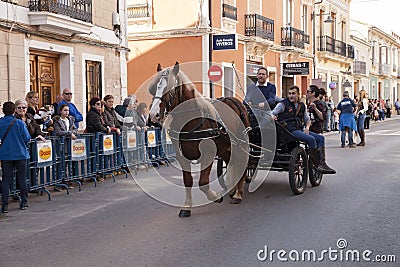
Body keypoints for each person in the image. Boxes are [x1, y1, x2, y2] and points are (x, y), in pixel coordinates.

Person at [271, 85, 335, 174]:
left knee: (320, 138)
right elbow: (272, 113)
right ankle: (316, 165)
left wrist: (307, 128)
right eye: (289, 94)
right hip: (288, 131)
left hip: (299, 130)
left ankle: (322, 163)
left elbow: (307, 120)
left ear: (298, 95)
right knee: (311, 139)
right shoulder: (282, 104)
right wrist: (273, 116)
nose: (291, 96)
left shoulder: (302, 106)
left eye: (293, 93)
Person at [0, 102, 31, 213]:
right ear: (14, 110)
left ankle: (5, 205)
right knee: (22, 179)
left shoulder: (0, 123)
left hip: (5, 154)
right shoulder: (19, 123)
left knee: (6, 180)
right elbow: (27, 138)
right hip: (20, 154)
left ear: (3, 110)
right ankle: (24, 202)